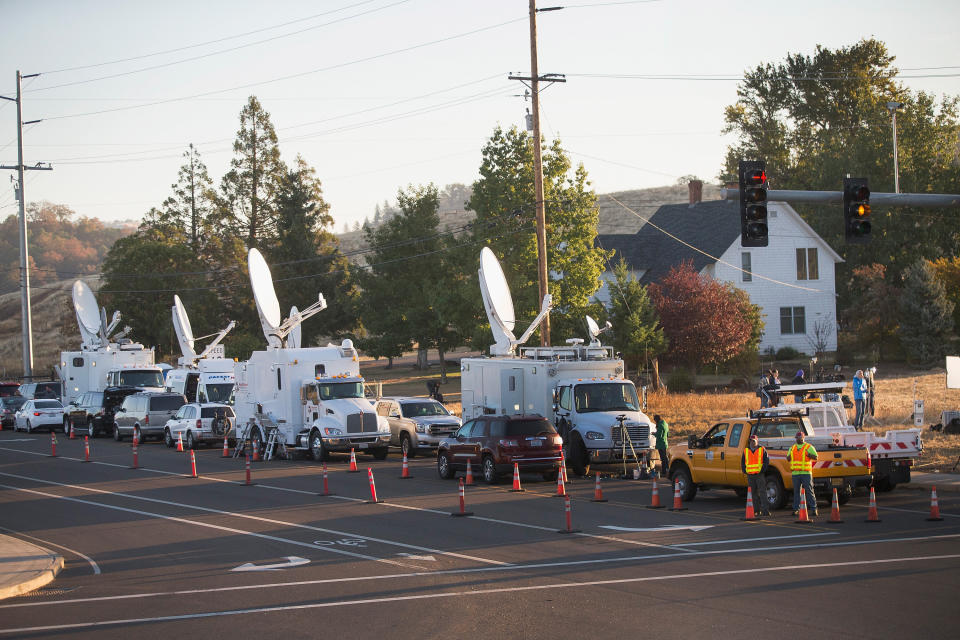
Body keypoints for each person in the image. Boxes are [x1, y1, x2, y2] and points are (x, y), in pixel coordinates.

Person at [788, 430, 818, 516]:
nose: (797, 439)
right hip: (795, 473)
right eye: (797, 437)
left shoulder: (809, 447)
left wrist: (809, 455)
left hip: (806, 473)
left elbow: (816, 457)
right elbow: (788, 458)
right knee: (796, 492)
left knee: (809, 491)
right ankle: (796, 509)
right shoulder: (792, 448)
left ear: (803, 438)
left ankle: (814, 509)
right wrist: (789, 456)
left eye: (799, 437)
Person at [741, 434, 771, 516]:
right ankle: (756, 510)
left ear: (757, 441)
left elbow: (766, 461)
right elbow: (743, 462)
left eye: (754, 441)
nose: (752, 442)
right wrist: (745, 471)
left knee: (762, 493)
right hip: (750, 476)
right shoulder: (746, 450)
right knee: (753, 494)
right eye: (751, 441)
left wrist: (762, 471)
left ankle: (765, 510)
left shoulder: (762, 449)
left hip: (759, 475)